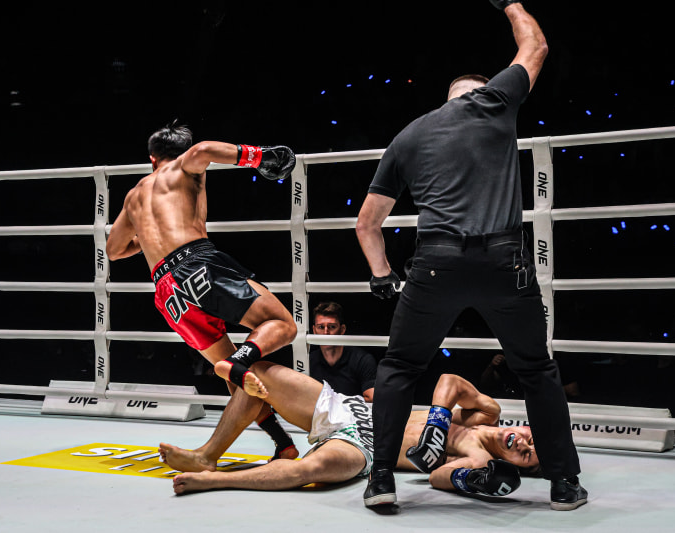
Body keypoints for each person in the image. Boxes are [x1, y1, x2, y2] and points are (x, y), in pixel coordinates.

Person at [354, 0, 586, 511]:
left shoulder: (409, 135)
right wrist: (511, 4)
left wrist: (382, 277)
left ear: (446, 97)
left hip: (435, 265)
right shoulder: (494, 102)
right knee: (536, 370)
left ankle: (381, 479)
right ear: (484, 89)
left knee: (398, 367)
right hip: (504, 262)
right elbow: (536, 46)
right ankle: (564, 484)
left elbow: (366, 225)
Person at [106, 122, 299, 458]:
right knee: (282, 324)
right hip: (196, 264)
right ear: (179, 154)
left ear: (152, 158)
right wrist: (260, 156)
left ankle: (282, 443)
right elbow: (204, 150)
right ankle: (238, 361)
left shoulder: (133, 196)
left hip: (166, 290)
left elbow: (114, 250)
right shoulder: (185, 166)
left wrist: (149, 238)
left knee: (236, 378)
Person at [163, 361, 536, 500]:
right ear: (523, 425)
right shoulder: (487, 412)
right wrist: (438, 423)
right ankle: (207, 455)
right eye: (530, 438)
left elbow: (438, 477)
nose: (523, 444)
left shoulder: (479, 458)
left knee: (311, 471)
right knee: (257, 376)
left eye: (526, 456)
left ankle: (215, 479)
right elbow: (450, 381)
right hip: (354, 409)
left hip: (365, 446)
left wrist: (472, 479)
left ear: (517, 467)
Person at [309, 301, 377, 401]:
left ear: (342, 329)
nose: (326, 332)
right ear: (314, 330)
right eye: (321, 327)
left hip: (352, 411)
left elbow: (371, 398)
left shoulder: (362, 360)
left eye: (332, 327)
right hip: (321, 412)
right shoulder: (309, 361)